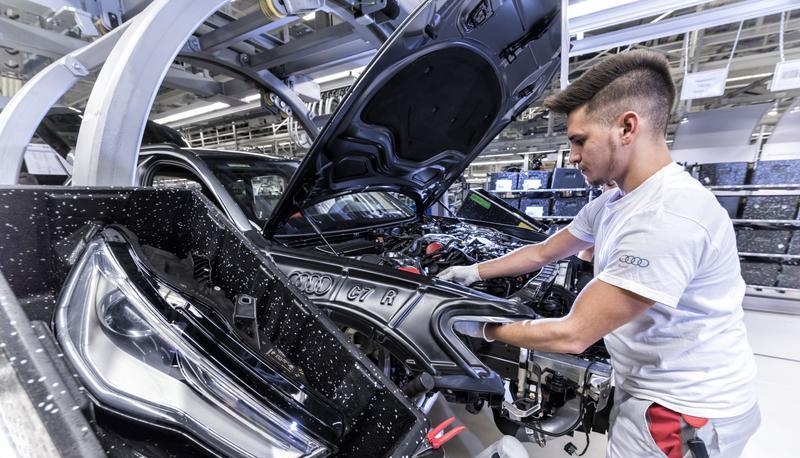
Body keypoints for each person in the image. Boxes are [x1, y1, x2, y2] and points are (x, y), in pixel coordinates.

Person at [438, 50, 759, 458]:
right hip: (653, 386)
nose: (572, 156)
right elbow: (543, 252)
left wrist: (481, 328)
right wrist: (473, 272)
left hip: (681, 409)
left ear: (627, 127)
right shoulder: (614, 201)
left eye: (579, 140)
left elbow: (574, 334)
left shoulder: (668, 216)